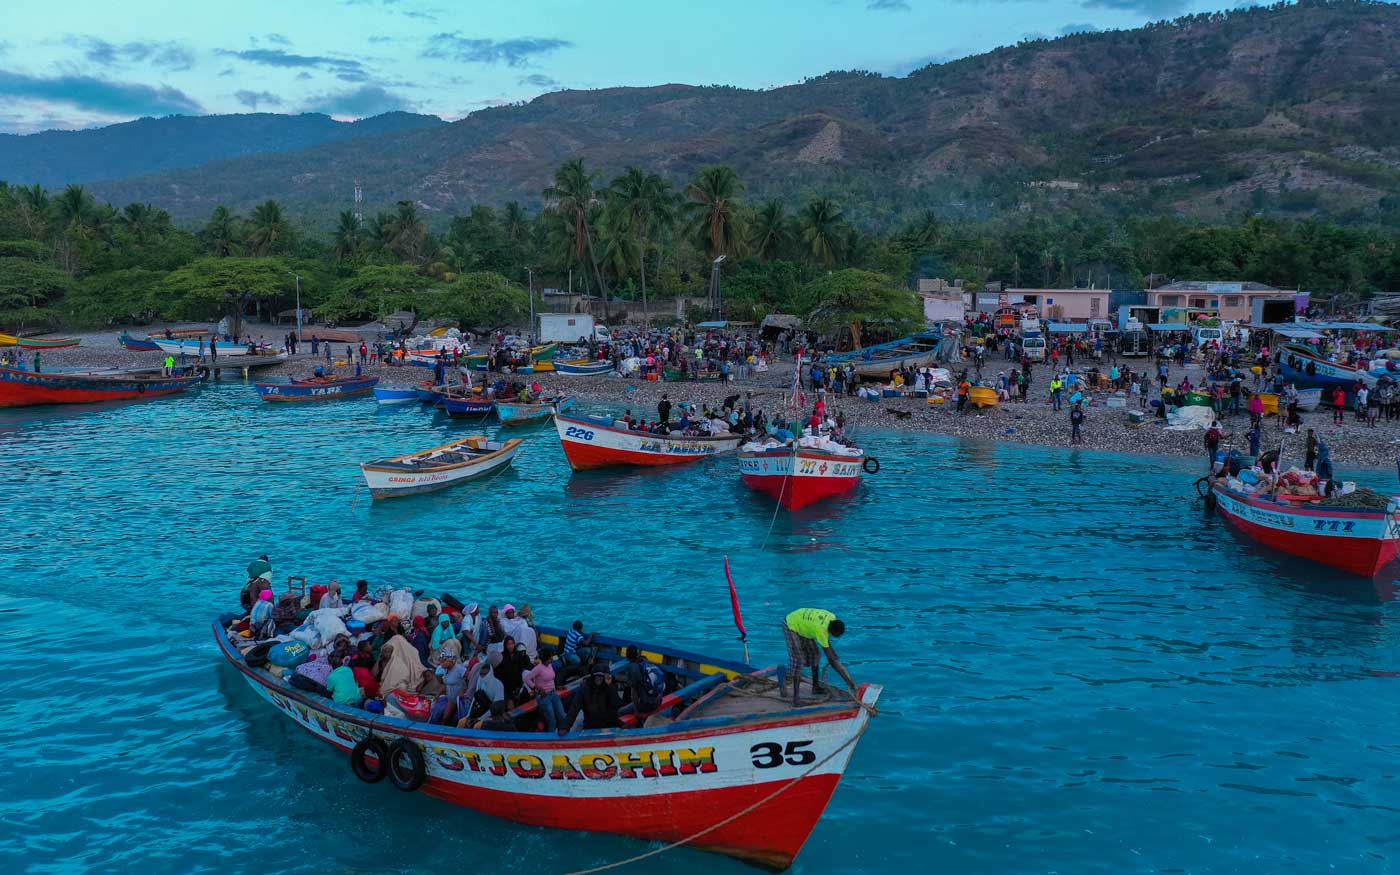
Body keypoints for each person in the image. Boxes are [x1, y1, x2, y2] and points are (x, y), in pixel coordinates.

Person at [782, 608, 856, 706]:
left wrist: (837, 660)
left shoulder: (832, 617)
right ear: (832, 631)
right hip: (791, 625)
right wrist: (849, 682)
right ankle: (796, 699)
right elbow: (831, 659)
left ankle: (815, 687)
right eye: (836, 635)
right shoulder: (821, 631)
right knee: (799, 660)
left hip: (803, 625)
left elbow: (830, 649)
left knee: (815, 654)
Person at [559, 663, 624, 734]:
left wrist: (610, 687)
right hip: (591, 725)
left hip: (608, 723)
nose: (599, 678)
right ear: (593, 676)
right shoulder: (584, 690)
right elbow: (574, 709)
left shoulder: (608, 688)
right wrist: (565, 727)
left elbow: (616, 704)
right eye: (597, 676)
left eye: (601, 676)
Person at [524, 648, 565, 732]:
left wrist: (556, 686)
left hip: (553, 693)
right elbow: (527, 679)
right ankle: (550, 739)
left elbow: (551, 679)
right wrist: (537, 688)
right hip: (544, 696)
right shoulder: (538, 668)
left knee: (562, 716)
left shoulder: (550, 665)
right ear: (546, 659)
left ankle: (563, 734)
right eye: (550, 658)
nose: (551, 659)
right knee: (552, 720)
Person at [622, 645, 666, 716]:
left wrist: (636, 711)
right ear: (638, 654)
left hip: (647, 706)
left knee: (620, 712)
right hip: (658, 701)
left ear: (627, 656)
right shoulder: (647, 663)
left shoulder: (632, 668)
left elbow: (634, 693)